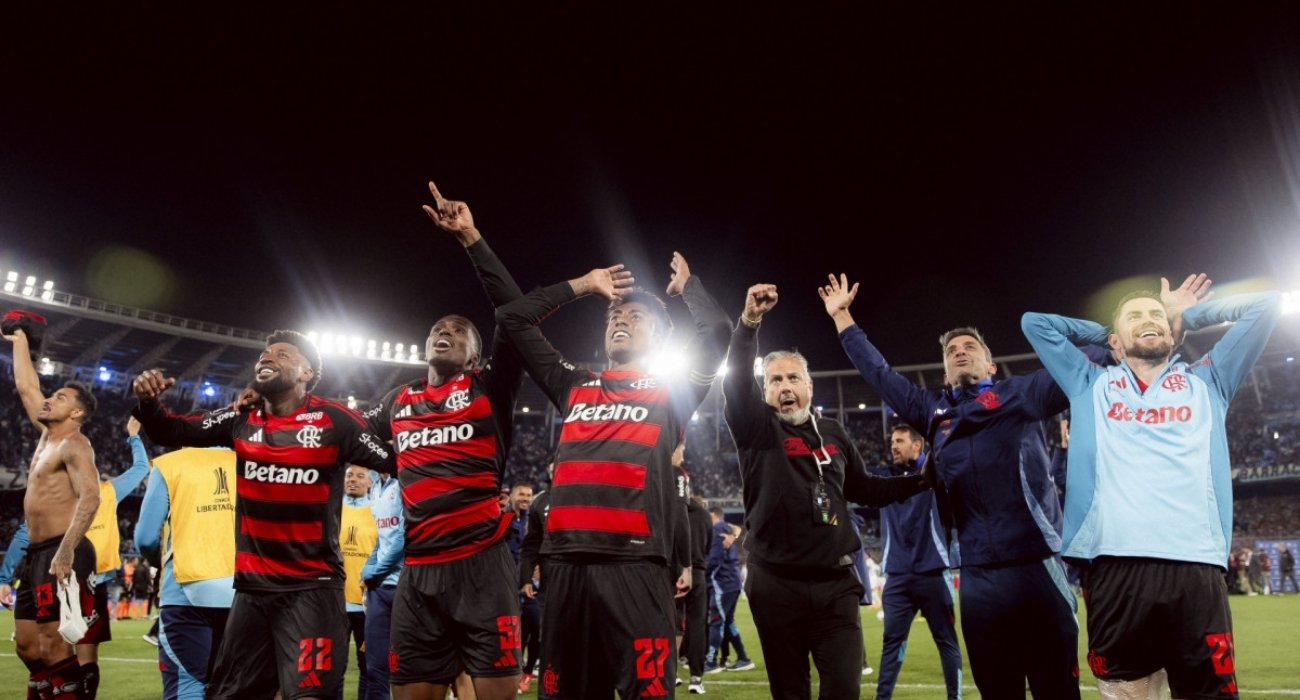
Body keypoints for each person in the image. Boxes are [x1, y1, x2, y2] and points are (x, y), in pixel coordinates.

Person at [820, 273, 1080, 699]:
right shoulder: (931, 411)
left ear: (991, 366)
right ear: (944, 370)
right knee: (998, 690)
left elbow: (1079, 368)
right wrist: (844, 320)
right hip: (977, 576)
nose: (959, 352)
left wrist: (1119, 342)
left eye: (969, 347)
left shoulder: (1023, 393)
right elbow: (882, 375)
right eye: (951, 351)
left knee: (1057, 690)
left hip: (1037, 566)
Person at [1022, 275, 1281, 699]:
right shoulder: (1089, 383)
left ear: (1174, 333)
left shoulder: (1210, 379)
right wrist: (1108, 333)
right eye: (1135, 316)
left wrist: (1186, 315)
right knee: (1129, 694)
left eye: (1156, 316)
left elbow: (1268, 304)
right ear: (1115, 341)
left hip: (1195, 566)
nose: (1149, 320)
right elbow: (1035, 323)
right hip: (1114, 567)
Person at [496, 250, 731, 698]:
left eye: (636, 316)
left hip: (636, 566)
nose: (620, 320)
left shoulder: (672, 392)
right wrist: (582, 285)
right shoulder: (575, 384)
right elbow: (513, 321)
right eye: (615, 315)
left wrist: (688, 288)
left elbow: (718, 331)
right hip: (564, 565)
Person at [132, 328, 395, 700]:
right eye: (265, 355)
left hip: (312, 591)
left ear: (306, 374)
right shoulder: (240, 419)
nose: (268, 358)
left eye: (283, 355)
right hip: (252, 593)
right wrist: (148, 404)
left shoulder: (334, 420)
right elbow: (171, 429)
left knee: (310, 696)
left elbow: (396, 461)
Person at [723, 283, 930, 700]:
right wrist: (749, 323)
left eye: (793, 378)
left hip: (835, 583)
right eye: (775, 379)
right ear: (764, 391)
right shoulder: (756, 429)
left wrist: (923, 479)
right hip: (775, 584)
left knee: (843, 688)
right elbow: (736, 382)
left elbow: (865, 489)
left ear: (809, 387)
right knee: (790, 690)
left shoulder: (833, 433)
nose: (784, 385)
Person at [363, 182, 530, 700]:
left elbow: (515, 312)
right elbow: (342, 432)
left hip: (484, 567)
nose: (445, 332)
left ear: (477, 357)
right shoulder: (397, 401)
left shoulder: (489, 388)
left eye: (459, 332)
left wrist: (471, 239)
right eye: (439, 328)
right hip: (419, 576)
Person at [0, 415, 152, 698]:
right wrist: (133, 436)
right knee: (80, 662)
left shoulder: (58, 500)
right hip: (88, 580)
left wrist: (4, 577)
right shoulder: (108, 491)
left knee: (51, 656)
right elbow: (141, 467)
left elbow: (24, 534)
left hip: (64, 576)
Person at [3, 322, 102, 699]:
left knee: (55, 646)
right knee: (28, 648)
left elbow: (90, 497)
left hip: (62, 550)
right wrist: (21, 341)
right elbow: (27, 387)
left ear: (76, 414)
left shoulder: (75, 445)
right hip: (36, 553)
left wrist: (66, 550)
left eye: (59, 398)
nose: (49, 400)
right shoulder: (47, 437)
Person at [134, 444, 239, 699]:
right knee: (233, 688)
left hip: (185, 591)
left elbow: (146, 538)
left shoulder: (170, 463)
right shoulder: (248, 462)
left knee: (187, 687)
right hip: (244, 593)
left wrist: (158, 561)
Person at [870, 425, 962, 700]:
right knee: (892, 643)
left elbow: (943, 456)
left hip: (933, 571)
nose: (893, 446)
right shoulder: (883, 478)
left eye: (899, 441)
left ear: (917, 446)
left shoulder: (935, 475)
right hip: (898, 576)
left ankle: (954, 698)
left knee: (946, 641)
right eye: (891, 441)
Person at [359, 469, 403, 700]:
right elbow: (381, 536)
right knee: (375, 666)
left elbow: (402, 538)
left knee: (410, 667)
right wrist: (368, 570)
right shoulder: (375, 486)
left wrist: (375, 571)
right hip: (379, 589)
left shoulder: (404, 482)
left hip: (405, 588)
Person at [674, 446, 712, 695]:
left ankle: (671, 672)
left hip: (674, 572)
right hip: (697, 572)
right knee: (697, 626)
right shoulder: (703, 514)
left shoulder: (672, 509)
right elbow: (708, 543)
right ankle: (696, 678)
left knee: (671, 624)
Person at [340, 465, 377, 700]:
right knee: (334, 669)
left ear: (370, 483)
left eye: (360, 476)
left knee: (368, 669)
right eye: (349, 476)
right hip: (336, 604)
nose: (353, 480)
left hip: (367, 605)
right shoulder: (333, 510)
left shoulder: (377, 513)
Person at [704, 506, 752, 675]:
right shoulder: (725, 528)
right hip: (733, 582)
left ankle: (711, 662)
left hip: (722, 584)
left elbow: (714, 560)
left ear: (713, 517)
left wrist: (703, 574)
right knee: (728, 621)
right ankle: (743, 658)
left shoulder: (717, 529)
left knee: (716, 621)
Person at [503, 482, 540, 694]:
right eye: (522, 495)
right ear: (513, 496)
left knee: (535, 628)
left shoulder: (531, 519)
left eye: (529, 496)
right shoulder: (505, 518)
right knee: (514, 630)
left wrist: (539, 567)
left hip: (528, 584)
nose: (526, 499)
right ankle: (513, 673)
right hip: (507, 584)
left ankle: (525, 672)